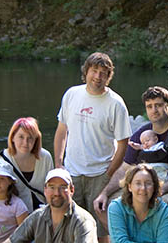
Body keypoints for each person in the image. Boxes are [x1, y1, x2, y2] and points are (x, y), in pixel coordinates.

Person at [53, 52, 132, 242]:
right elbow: (61, 131)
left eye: (103, 73)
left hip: (100, 174)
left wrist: (109, 172)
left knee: (100, 228)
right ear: (86, 71)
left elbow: (123, 144)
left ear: (109, 77)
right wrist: (58, 164)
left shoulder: (116, 104)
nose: (98, 76)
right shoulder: (72, 94)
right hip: (72, 172)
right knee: (69, 224)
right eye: (94, 71)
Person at [93, 86, 168, 228]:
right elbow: (125, 168)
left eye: (158, 105)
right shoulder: (141, 134)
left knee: (163, 205)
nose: (154, 110)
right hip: (145, 186)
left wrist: (162, 190)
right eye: (149, 106)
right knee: (106, 205)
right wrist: (104, 193)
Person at [5, 168, 98, 243]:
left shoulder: (83, 221)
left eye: (63, 187)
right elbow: (12, 241)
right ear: (45, 190)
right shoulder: (37, 217)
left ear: (72, 190)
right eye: (52, 187)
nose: (57, 193)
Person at [0, 117, 53, 212]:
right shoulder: (2, 160)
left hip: (41, 213)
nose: (25, 143)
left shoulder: (45, 157)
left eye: (30, 138)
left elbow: (52, 187)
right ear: (13, 137)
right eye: (21, 137)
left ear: (36, 140)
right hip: (12, 214)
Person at [107, 164, 168, 243]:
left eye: (148, 183)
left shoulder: (163, 211)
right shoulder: (116, 207)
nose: (143, 188)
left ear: (154, 187)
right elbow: (119, 241)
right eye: (138, 183)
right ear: (129, 187)